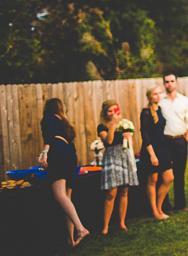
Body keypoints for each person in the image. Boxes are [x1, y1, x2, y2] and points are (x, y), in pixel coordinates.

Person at [38, 99, 89, 246]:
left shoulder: (48, 118)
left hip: (58, 153)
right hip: (70, 155)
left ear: (48, 108)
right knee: (66, 197)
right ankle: (71, 239)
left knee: (59, 195)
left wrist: (44, 152)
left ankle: (80, 229)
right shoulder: (64, 122)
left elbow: (49, 136)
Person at [97, 100, 138, 233]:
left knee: (124, 190)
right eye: (110, 110)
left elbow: (130, 141)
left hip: (124, 155)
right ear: (105, 113)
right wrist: (113, 125)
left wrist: (128, 136)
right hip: (112, 157)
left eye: (116, 109)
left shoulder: (125, 124)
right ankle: (105, 226)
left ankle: (122, 222)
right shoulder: (102, 126)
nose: (113, 113)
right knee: (111, 192)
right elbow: (108, 141)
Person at [158, 74, 188, 212]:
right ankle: (164, 205)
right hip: (165, 141)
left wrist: (186, 140)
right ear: (164, 84)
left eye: (172, 81)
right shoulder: (160, 101)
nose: (169, 84)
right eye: (167, 82)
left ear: (176, 83)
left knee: (180, 173)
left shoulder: (184, 100)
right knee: (165, 174)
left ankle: (180, 204)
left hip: (180, 140)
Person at [140, 87, 174, 219]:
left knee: (169, 177)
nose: (158, 96)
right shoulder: (146, 112)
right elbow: (145, 134)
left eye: (160, 93)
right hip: (151, 149)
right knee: (152, 180)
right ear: (150, 96)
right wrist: (152, 154)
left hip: (162, 147)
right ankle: (154, 211)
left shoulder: (159, 110)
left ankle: (159, 207)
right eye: (155, 94)